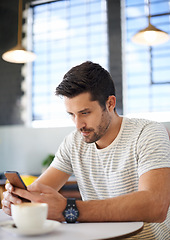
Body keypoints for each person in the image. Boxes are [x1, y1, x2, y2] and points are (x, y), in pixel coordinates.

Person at [2, 61, 170, 239]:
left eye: (85, 113)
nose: (78, 125)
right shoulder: (74, 143)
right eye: (72, 115)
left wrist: (69, 209)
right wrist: (19, 199)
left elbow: (156, 204)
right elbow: (39, 191)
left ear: (110, 103)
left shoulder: (148, 132)